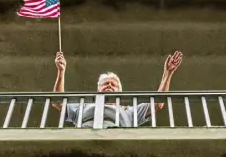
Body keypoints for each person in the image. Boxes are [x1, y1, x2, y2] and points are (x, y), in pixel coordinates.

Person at [52, 51, 183, 128]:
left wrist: (167, 73)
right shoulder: (82, 106)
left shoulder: (129, 111)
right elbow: (57, 102)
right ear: (98, 89)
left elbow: (157, 104)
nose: (109, 85)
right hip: (84, 141)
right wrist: (61, 72)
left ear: (120, 92)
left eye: (113, 84)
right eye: (105, 84)